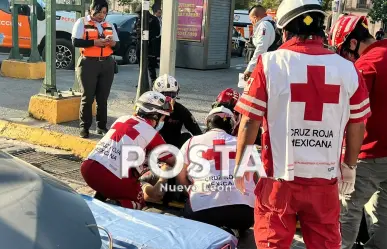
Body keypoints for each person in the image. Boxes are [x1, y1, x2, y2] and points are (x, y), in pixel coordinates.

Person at [233, 0, 371, 248]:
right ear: (321, 29)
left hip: (279, 179)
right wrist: (349, 165)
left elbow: (249, 121)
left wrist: (241, 163)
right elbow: (357, 125)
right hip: (325, 180)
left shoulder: (269, 64)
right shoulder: (349, 70)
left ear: (285, 30)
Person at [329, 15, 387, 249]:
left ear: (352, 43)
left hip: (370, 153)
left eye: (344, 52)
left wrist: (347, 163)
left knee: (347, 211)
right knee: (384, 215)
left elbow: (353, 115)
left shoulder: (365, 66)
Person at [81, 91, 175, 209]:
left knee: (117, 181)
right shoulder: (152, 134)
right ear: (155, 115)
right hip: (111, 177)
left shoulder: (122, 119)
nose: (163, 121)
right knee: (139, 203)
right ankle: (115, 207)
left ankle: (99, 202)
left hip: (88, 168)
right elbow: (174, 161)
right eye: (163, 117)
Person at [177, 106, 255, 238]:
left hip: (202, 213)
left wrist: (194, 193)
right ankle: (231, 230)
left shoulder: (191, 142)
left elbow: (180, 178)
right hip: (244, 214)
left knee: (192, 215)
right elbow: (257, 180)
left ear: (208, 124)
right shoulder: (244, 145)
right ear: (231, 125)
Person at [72, 0, 120, 138]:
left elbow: (117, 46)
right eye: (98, 12)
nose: (101, 15)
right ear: (91, 10)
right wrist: (94, 42)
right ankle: (84, 127)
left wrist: (112, 43)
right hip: (88, 63)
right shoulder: (81, 22)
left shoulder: (109, 25)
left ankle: (101, 126)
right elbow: (75, 41)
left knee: (102, 98)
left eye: (104, 12)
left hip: (107, 64)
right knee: (87, 97)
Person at [153, 74, 202, 149]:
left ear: (177, 93)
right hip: (155, 144)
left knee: (187, 137)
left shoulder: (181, 110)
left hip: (175, 147)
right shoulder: (149, 108)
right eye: (164, 94)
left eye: (172, 94)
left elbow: (197, 132)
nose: (168, 98)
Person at [244, 5, 276, 81]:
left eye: (251, 20)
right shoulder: (267, 24)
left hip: (262, 66)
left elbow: (261, 48)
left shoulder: (264, 25)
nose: (251, 22)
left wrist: (250, 68)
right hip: (262, 65)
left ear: (255, 18)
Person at [135, 5, 161, 83]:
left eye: (139, 13)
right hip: (140, 43)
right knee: (140, 63)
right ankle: (141, 81)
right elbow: (136, 29)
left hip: (150, 44)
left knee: (150, 65)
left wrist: (147, 35)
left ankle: (153, 81)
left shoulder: (153, 19)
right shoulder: (139, 19)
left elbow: (157, 31)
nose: (138, 15)